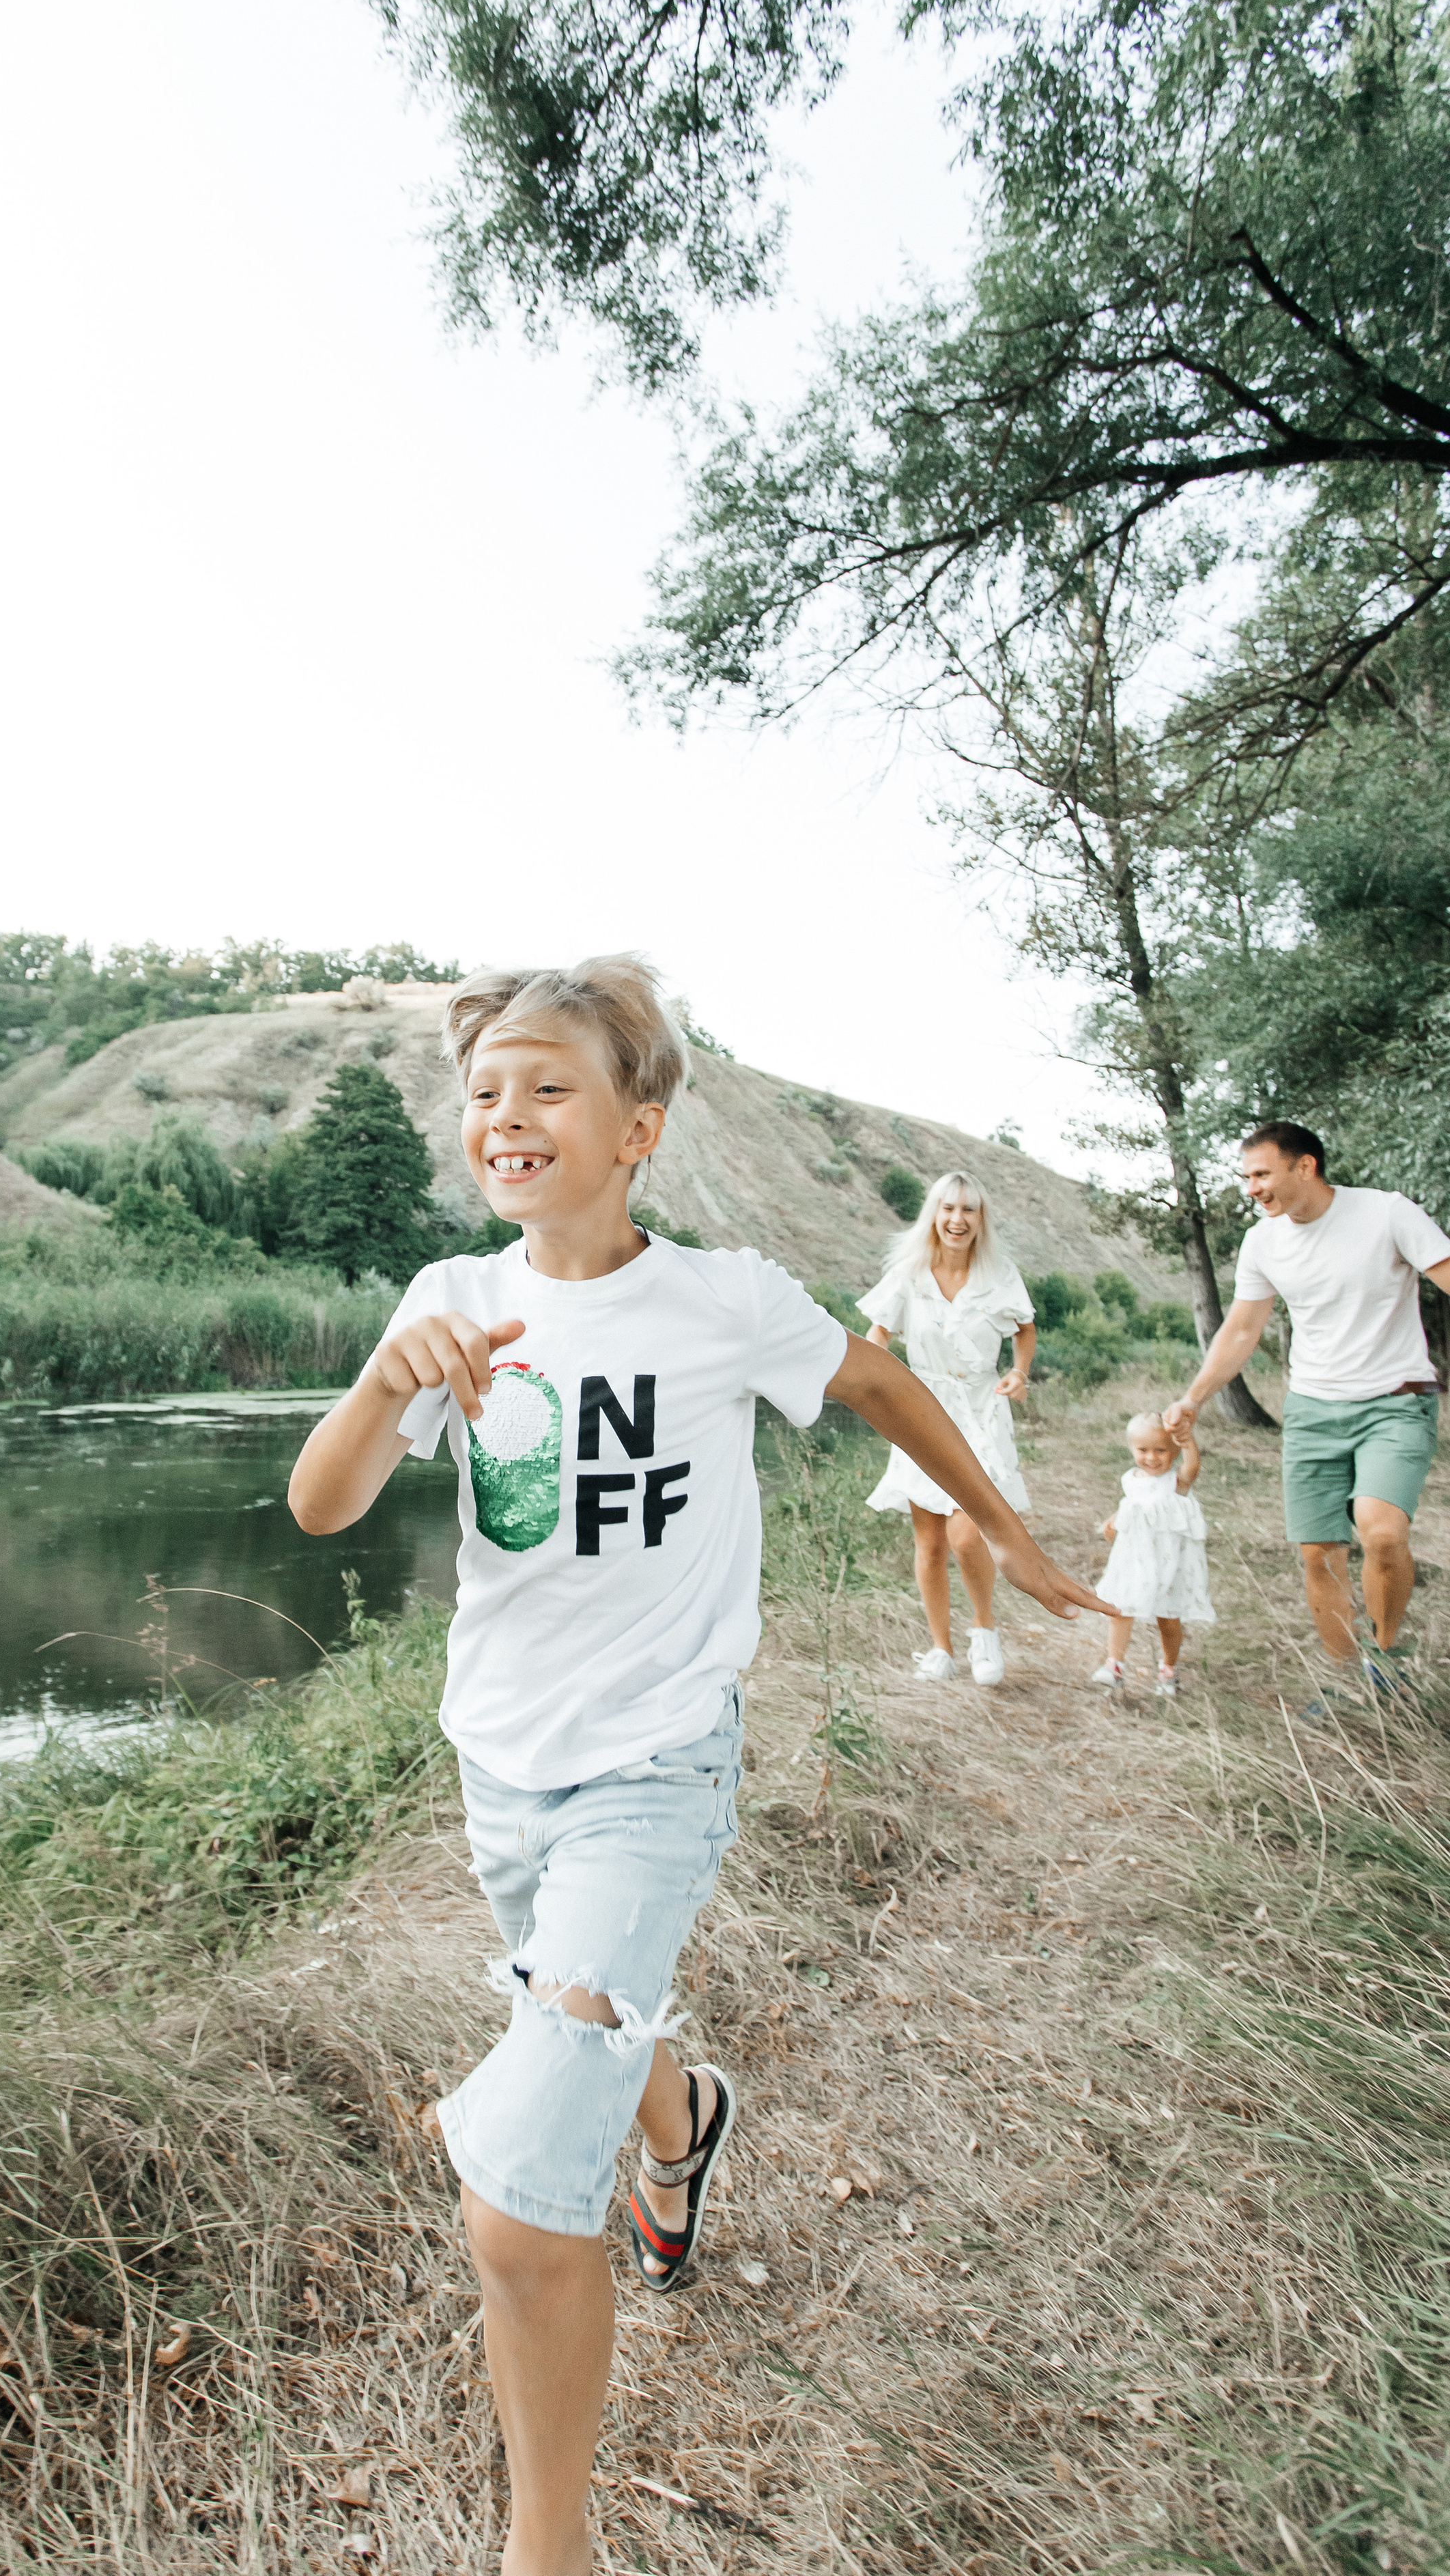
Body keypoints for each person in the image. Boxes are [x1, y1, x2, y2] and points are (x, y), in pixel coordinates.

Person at [287, 955, 1105, 2576]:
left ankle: (547, 2547)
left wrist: (1003, 1530)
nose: (505, 1114)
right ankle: (684, 2116)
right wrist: (386, 1380)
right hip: (500, 1764)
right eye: (483, 1091)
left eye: (548, 1085)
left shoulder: (722, 1300)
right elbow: (320, 1505)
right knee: (582, 2009)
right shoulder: (448, 1295)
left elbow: (876, 1379)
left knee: (521, 2199)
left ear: (637, 1128)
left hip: (659, 1763)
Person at [1164, 1122, 1450, 1684]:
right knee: (1319, 1552)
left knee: (1382, 1532)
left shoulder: (1386, 1213)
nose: (1251, 1188)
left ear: (1305, 1166)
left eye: (1261, 1174)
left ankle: (1385, 1664)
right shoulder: (1262, 1242)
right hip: (1313, 1411)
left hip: (1396, 1402)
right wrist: (1194, 1396)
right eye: (1246, 1177)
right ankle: (1346, 1681)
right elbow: (1242, 1329)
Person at [860, 1172, 1038, 1687]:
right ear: (934, 1215)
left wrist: (1019, 1372)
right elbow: (878, 1332)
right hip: (922, 1408)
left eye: (969, 1210)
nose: (958, 1220)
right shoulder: (910, 1273)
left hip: (980, 1410)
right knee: (931, 1542)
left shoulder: (999, 1275)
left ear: (981, 1218)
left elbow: (1024, 1329)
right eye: (949, 1209)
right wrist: (875, 1376)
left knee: (966, 1534)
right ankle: (941, 1648)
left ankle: (984, 1629)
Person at [1090, 1412, 1213, 1695]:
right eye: (1143, 1450)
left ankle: (1169, 1669)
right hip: (1135, 1558)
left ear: (1174, 1450)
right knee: (1121, 1608)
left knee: (1167, 1618)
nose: (1151, 1457)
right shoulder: (1131, 1479)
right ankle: (1114, 1665)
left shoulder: (1176, 1482)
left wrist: (1188, 1441)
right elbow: (1134, 1505)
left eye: (1161, 1450)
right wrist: (1114, 1521)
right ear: (1132, 1449)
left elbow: (1192, 1467)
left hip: (1168, 1562)